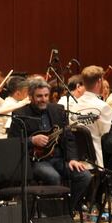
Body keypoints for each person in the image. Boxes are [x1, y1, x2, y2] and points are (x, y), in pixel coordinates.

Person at [8, 78, 92, 211]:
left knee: (84, 176)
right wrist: (31, 140)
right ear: (30, 97)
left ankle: (67, 209)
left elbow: (68, 137)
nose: (43, 99)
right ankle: (52, 213)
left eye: (46, 95)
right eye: (39, 96)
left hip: (59, 158)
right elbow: (11, 142)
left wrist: (73, 159)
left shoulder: (58, 110)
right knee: (53, 177)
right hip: (37, 161)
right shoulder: (20, 114)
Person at [67, 65, 112, 167]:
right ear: (99, 82)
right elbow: (107, 138)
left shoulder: (73, 106)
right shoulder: (103, 107)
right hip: (96, 161)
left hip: (76, 160)